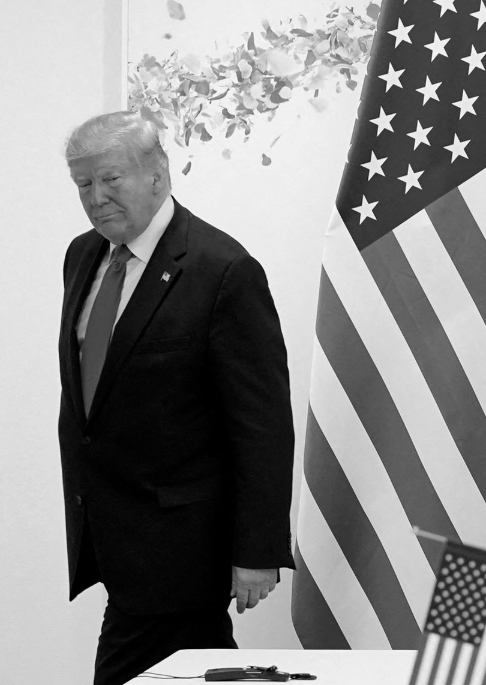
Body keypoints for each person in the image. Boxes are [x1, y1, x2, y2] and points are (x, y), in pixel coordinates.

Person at [58, 111, 295, 685]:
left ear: (158, 173)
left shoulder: (223, 270)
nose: (96, 197)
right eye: (84, 184)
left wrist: (258, 548)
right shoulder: (83, 256)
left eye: (110, 179)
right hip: (114, 531)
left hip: (183, 541)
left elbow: (261, 423)